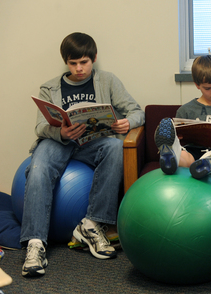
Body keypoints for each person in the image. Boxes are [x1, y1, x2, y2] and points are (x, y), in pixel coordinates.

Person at [21, 32, 145, 277]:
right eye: (73, 63)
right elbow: (40, 127)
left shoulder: (108, 81)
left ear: (94, 58)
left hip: (93, 143)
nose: (79, 68)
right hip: (60, 142)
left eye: (84, 62)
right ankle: (35, 244)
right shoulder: (50, 87)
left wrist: (126, 123)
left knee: (114, 146)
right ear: (66, 62)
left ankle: (92, 224)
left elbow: (137, 111)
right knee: (38, 166)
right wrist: (63, 133)